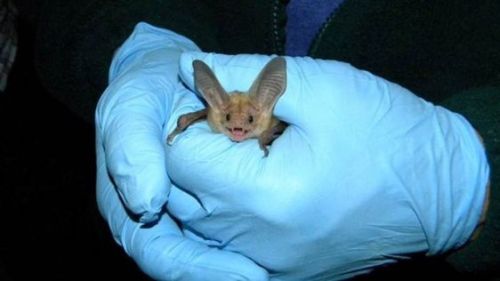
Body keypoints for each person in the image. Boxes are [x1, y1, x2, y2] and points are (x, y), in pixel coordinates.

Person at [34, 1, 498, 280]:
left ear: (267, 105)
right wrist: (130, 39)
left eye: (247, 120)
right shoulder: (213, 111)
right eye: (229, 119)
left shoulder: (267, 118)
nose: (237, 128)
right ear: (212, 103)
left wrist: (478, 168)